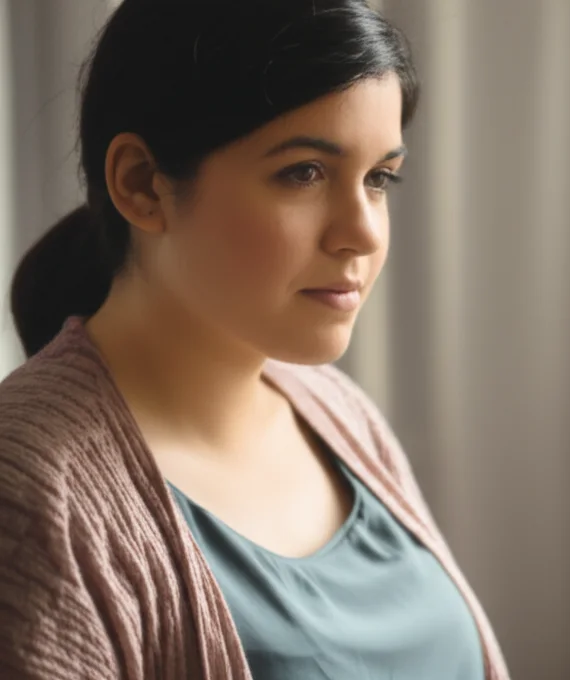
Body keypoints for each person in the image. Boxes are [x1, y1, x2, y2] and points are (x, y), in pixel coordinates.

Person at [0, 1, 509, 678]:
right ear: (141, 184)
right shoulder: (33, 494)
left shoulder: (335, 410)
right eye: (304, 172)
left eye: (379, 178)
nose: (363, 233)